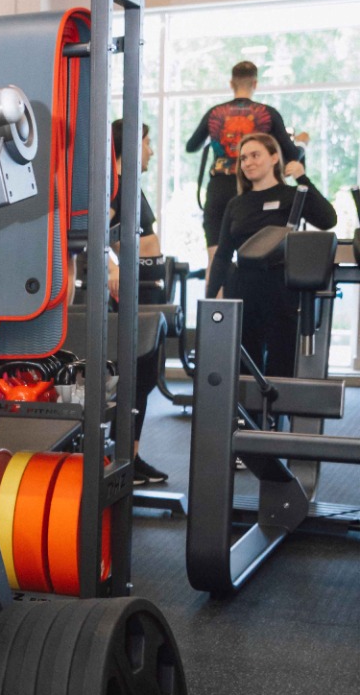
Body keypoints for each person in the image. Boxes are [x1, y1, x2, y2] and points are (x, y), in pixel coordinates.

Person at [205, 132, 336, 379]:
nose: (248, 163)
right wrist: (211, 300)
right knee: (245, 367)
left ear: (274, 158)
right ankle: (248, 406)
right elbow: (223, 255)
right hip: (243, 288)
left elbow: (328, 219)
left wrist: (302, 177)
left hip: (280, 289)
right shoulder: (236, 204)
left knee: (281, 363)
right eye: (244, 158)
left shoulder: (292, 196)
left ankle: (278, 406)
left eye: (255, 155)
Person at [185, 60, 306, 267]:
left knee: (216, 259)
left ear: (231, 84)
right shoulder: (267, 114)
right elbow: (292, 153)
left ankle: (214, 289)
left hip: (219, 188)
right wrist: (302, 144)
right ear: (255, 84)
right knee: (255, 254)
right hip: (251, 191)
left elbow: (191, 146)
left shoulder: (215, 113)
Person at [108, 118, 167, 486]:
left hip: (148, 286)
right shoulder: (111, 186)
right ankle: (120, 456)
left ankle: (130, 456)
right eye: (146, 143)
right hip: (130, 290)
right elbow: (96, 234)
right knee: (131, 376)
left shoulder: (130, 185)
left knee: (144, 378)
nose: (151, 151)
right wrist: (112, 267)